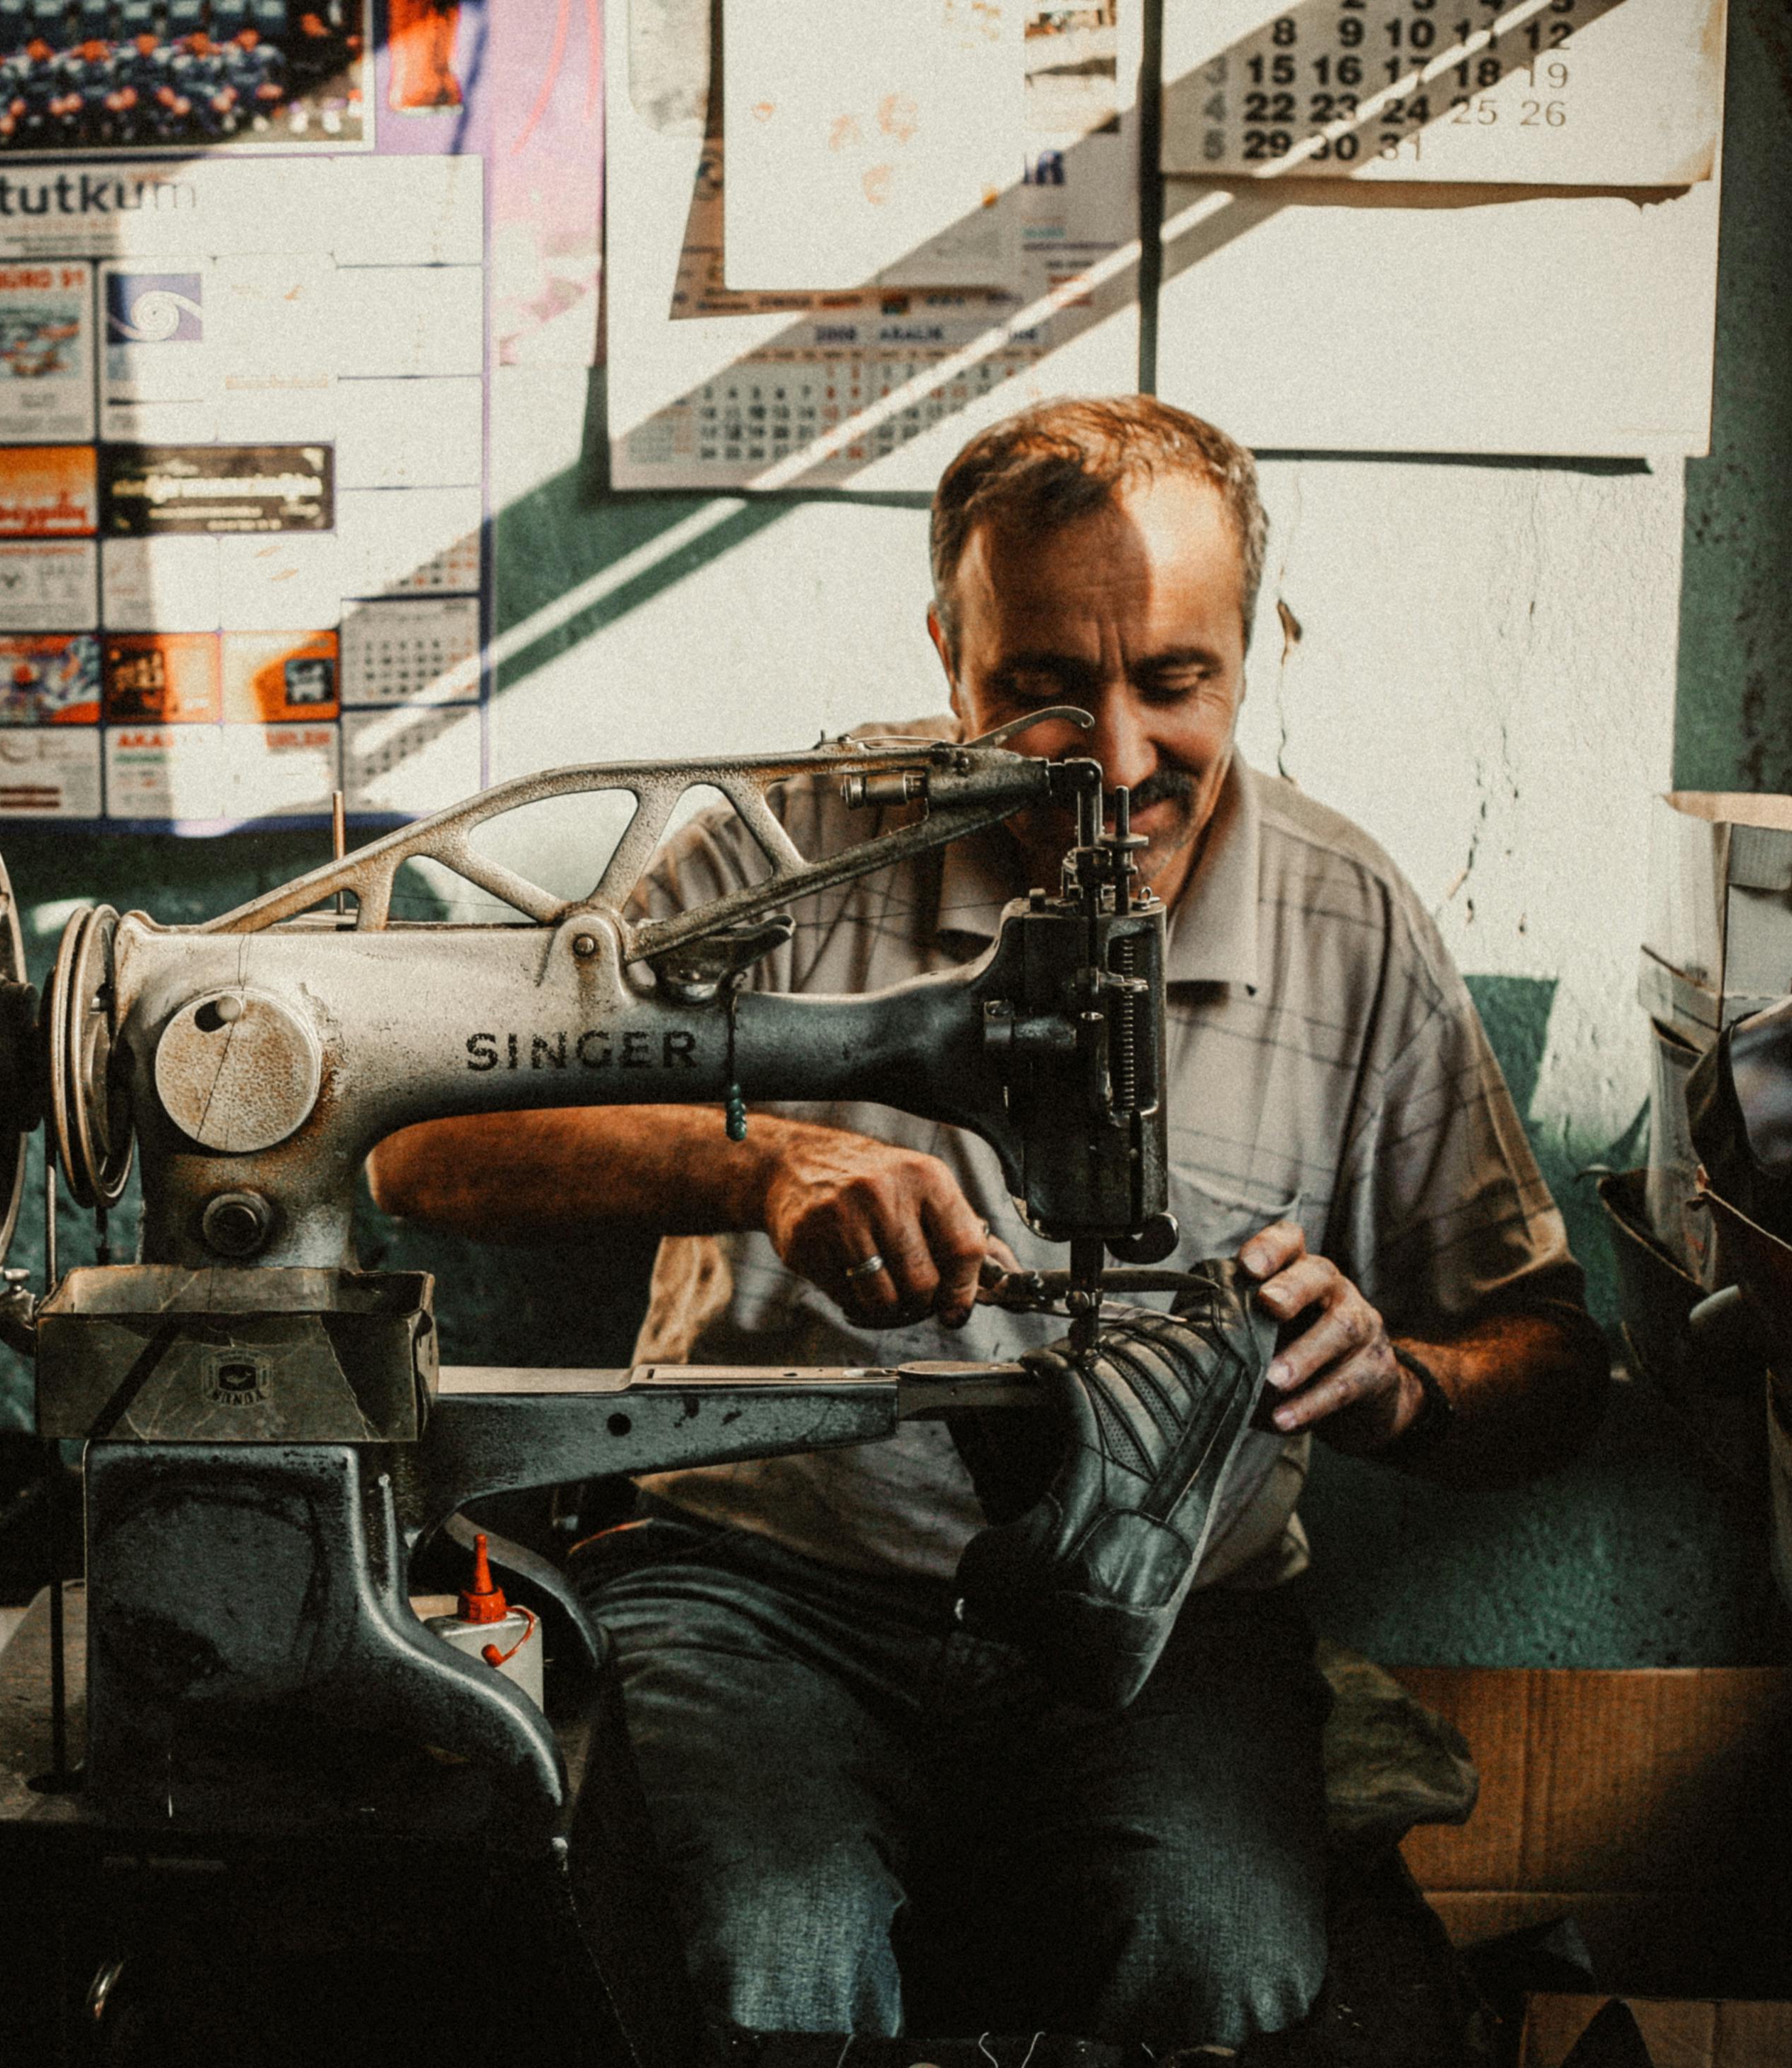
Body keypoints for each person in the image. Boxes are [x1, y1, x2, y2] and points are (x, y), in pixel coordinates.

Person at [365, 396, 1607, 2052]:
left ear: (1259, 647)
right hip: (764, 1582)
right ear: (948, 650)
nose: (1111, 760)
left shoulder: (1347, 920)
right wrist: (764, 1168)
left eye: (1175, 680)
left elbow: (1553, 1366)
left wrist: (1401, 1387)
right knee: (770, 1972)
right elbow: (430, 1149)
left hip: (1174, 1618)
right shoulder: (782, 852)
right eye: (1038, 691)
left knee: (1216, 1968)